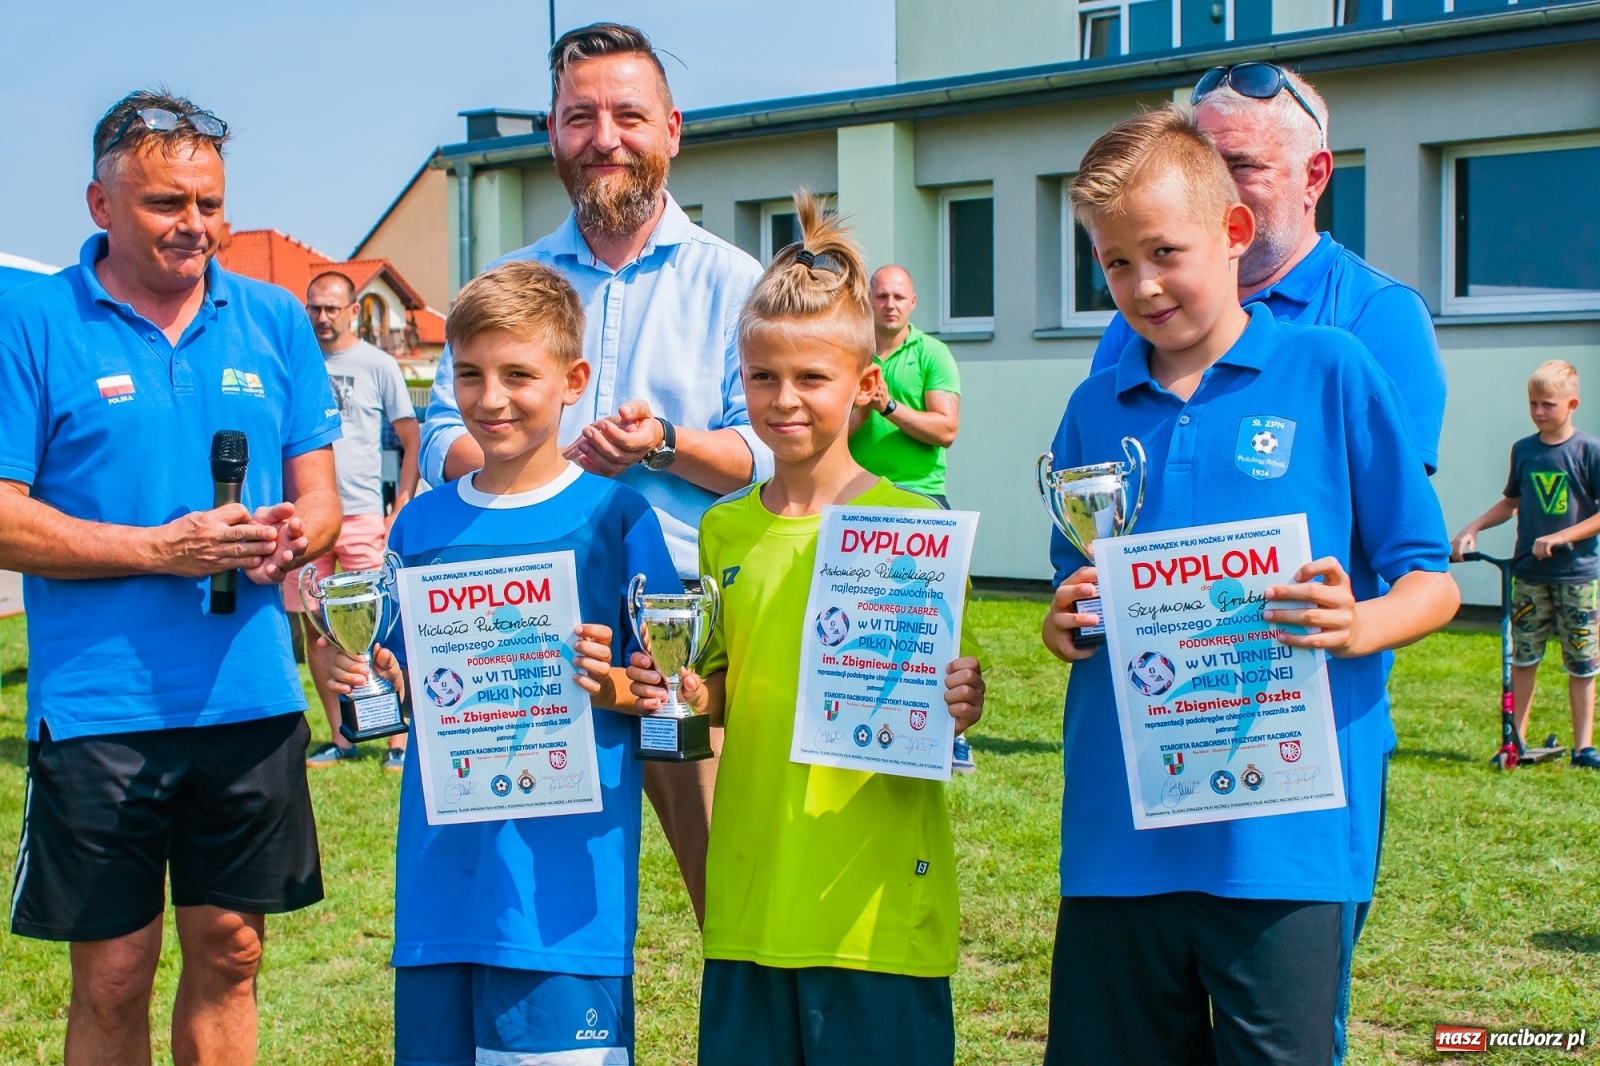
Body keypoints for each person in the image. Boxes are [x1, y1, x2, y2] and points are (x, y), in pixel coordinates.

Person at [1039, 108, 1459, 1064]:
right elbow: (1078, 588)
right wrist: (1065, 621)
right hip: (1121, 842)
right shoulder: (1092, 408)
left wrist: (1360, 624)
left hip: (1284, 845)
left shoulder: (1331, 369)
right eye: (1113, 264)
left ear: (1233, 235)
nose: (1141, 286)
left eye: (1163, 252)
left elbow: (1428, 581)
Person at [0, 90, 340, 1066]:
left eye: (208, 202)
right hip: (99, 705)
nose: (194, 225)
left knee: (232, 950)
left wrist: (292, 537)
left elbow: (319, 500)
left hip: (247, 694)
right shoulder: (33, 323)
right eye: (164, 203)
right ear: (100, 203)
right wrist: (160, 549)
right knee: (113, 969)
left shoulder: (274, 318)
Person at [627, 194, 988, 1066]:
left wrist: (960, 701)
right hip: (752, 900)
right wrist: (676, 688)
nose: (784, 401)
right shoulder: (724, 528)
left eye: (812, 379)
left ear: (866, 386)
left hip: (873, 909)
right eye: (762, 378)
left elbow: (932, 697)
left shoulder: (914, 525)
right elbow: (713, 698)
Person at [419, 22, 766, 925]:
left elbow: (769, 455)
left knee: (726, 891)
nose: (604, 138)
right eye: (581, 118)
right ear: (551, 132)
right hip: (522, 626)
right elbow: (435, 436)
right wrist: (527, 470)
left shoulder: (734, 282)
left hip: (683, 625)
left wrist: (664, 446)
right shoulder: (507, 277)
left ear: (673, 129)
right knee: (531, 902)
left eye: (628, 116)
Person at [324, 259, 679, 1065]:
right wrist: (358, 680)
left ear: (572, 379)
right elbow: (391, 687)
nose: (491, 398)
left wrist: (615, 679)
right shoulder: (419, 527)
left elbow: (668, 692)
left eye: (519, 374)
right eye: (471, 374)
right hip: (442, 891)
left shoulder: (616, 516)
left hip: (563, 905)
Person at [850, 265, 976, 773]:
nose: (890, 305)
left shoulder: (932, 354)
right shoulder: (855, 353)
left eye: (899, 296)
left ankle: (952, 730)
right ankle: (862, 715)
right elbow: (839, 426)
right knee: (864, 620)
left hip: (920, 501)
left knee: (936, 620)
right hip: (855, 498)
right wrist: (863, 402)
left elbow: (945, 429)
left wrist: (888, 406)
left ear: (914, 301)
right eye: (881, 296)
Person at [293, 270, 419, 771]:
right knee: (318, 633)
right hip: (305, 520)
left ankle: (395, 737)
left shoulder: (379, 364)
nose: (322, 318)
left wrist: (402, 503)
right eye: (314, 308)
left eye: (331, 308)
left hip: (364, 515)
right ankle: (341, 737)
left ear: (352, 312)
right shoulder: (295, 363)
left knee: (378, 628)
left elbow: (411, 440)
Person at [1451, 360, 1600, 770]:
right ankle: (1515, 740)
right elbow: (1511, 503)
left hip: (1577, 576)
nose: (1538, 412)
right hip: (1529, 575)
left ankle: (1583, 747)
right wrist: (1474, 528)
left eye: (1548, 404)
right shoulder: (1525, 450)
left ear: (1572, 404)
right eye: (1533, 403)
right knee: (1524, 657)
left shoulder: (1588, 451)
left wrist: (1561, 537)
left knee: (1582, 661)